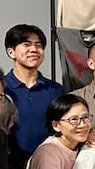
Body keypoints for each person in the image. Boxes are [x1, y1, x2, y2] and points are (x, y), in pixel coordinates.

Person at [4, 24, 64, 155]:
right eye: (26, 44)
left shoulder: (56, 90)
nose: (34, 49)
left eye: (38, 45)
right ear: (11, 52)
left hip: (47, 162)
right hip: (7, 165)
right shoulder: (0, 88)